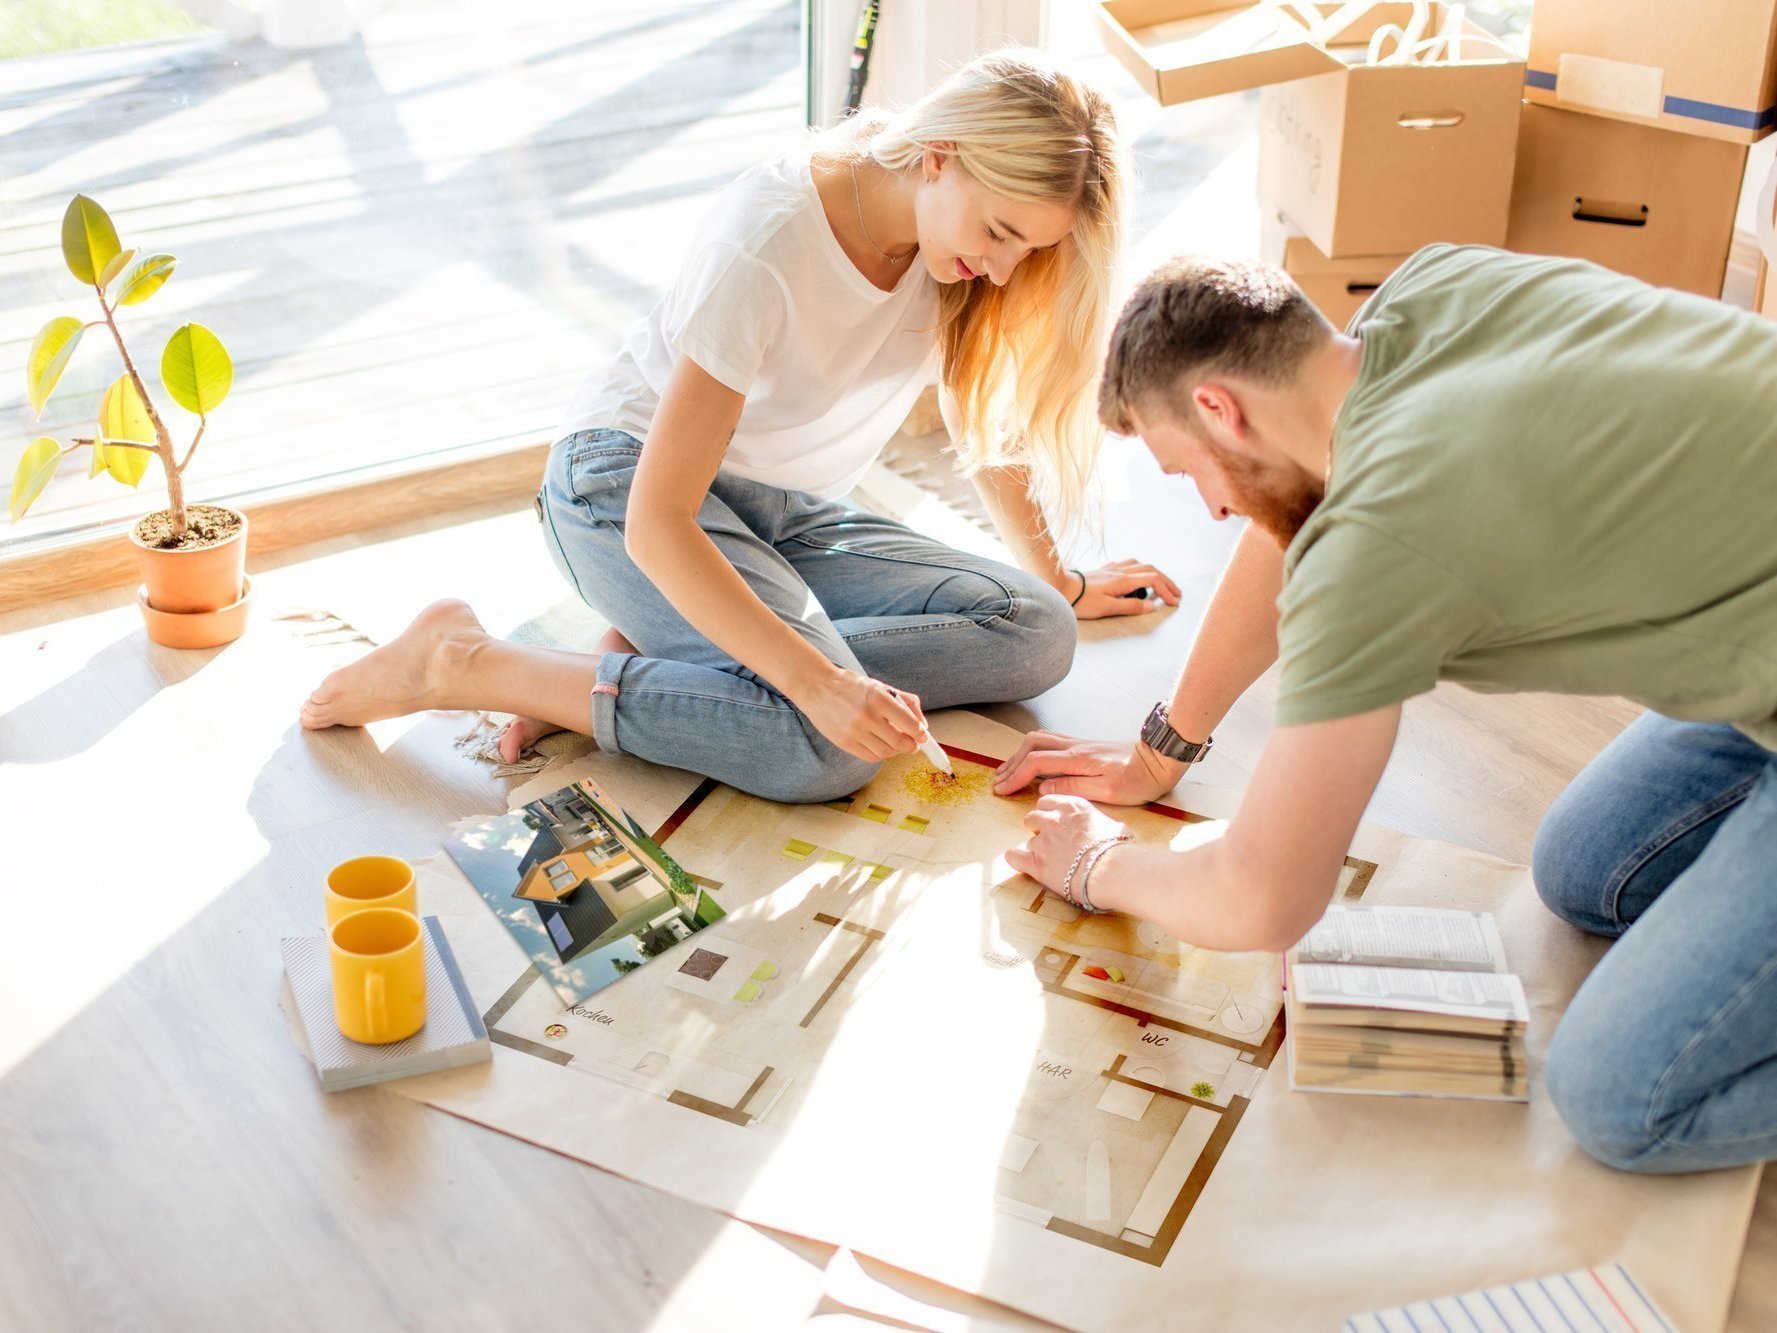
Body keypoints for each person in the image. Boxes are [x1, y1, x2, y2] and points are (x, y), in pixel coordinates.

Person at [997, 244, 1777, 1175]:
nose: (1207, 507)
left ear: (1218, 407)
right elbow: (1285, 530)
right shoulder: (1425, 295)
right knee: (1585, 874)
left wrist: (1100, 864)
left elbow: (1265, 897)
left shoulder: (1381, 545)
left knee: (1619, 1100)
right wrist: (1161, 752)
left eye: (1184, 472)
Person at [301, 48, 1181, 802]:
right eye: (999, 232)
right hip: (625, 489)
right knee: (825, 740)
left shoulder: (947, 255)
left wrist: (1060, 581)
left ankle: (663, 656)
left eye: (1024, 249)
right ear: (939, 154)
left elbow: (979, 419)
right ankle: (464, 662)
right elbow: (659, 520)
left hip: (783, 516)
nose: (999, 268)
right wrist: (817, 682)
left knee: (1033, 633)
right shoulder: (769, 239)